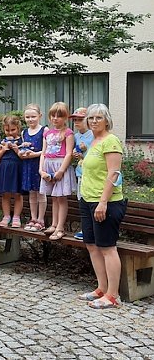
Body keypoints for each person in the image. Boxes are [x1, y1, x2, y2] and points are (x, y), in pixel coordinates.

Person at [77, 104, 126, 309]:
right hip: (87, 199)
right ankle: (102, 288)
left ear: (107, 120)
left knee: (107, 247)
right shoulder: (93, 140)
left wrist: (103, 202)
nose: (94, 121)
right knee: (92, 245)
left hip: (105, 202)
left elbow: (113, 174)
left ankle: (113, 295)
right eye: (91, 118)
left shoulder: (110, 141)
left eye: (98, 117)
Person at [39, 102, 76, 240]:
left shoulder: (68, 133)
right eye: (53, 115)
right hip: (48, 165)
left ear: (65, 117)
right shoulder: (47, 132)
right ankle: (54, 224)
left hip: (60, 166)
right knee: (54, 198)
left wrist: (61, 171)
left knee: (61, 198)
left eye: (59, 116)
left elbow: (68, 153)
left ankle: (61, 227)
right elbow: (43, 152)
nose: (55, 118)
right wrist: (41, 170)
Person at [0, 114, 24, 227]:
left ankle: (16, 217)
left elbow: (23, 156)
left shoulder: (21, 141)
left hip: (17, 168)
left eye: (13, 130)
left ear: (18, 128)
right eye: (7, 130)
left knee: (17, 194)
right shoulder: (2, 141)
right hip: (4, 169)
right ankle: (6, 216)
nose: (10, 133)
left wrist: (16, 150)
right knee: (5, 194)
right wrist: (3, 149)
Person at [20, 104, 46, 232]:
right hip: (28, 165)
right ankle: (33, 218)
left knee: (41, 192)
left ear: (40, 116)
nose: (30, 119)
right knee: (31, 193)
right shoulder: (24, 132)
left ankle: (41, 219)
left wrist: (34, 154)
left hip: (39, 164)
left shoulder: (44, 131)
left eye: (33, 117)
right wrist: (22, 152)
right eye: (28, 117)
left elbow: (47, 151)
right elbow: (22, 150)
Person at [72, 107, 95, 240]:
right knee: (81, 200)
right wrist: (77, 154)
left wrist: (86, 151)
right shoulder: (76, 136)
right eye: (75, 120)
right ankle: (85, 227)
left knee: (90, 201)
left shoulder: (93, 135)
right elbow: (78, 155)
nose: (76, 122)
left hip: (92, 174)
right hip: (80, 172)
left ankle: (91, 228)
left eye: (80, 119)